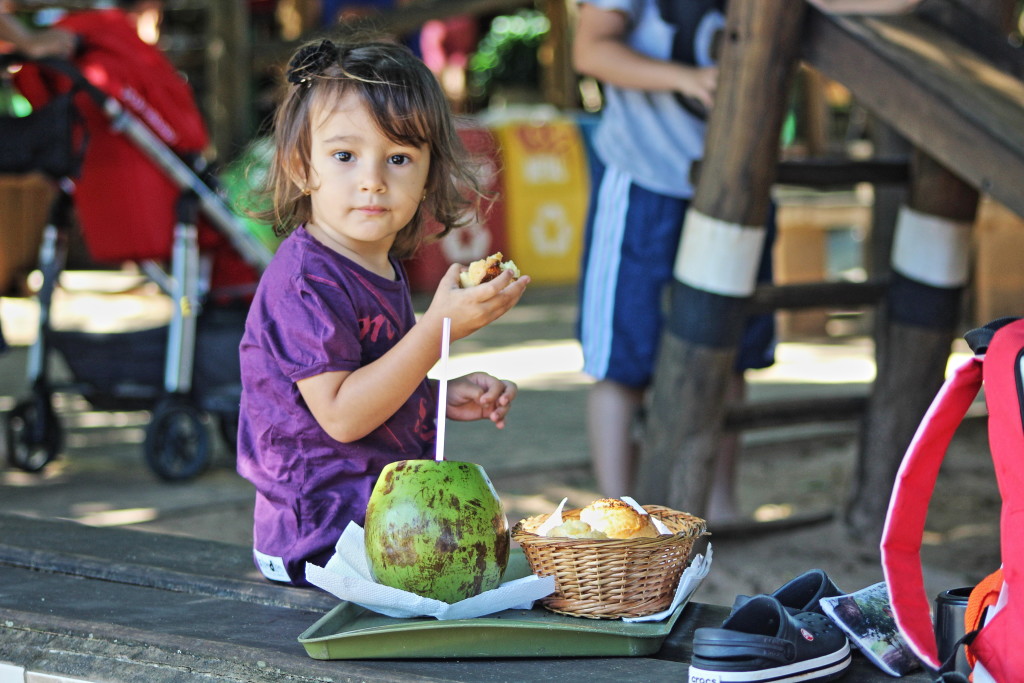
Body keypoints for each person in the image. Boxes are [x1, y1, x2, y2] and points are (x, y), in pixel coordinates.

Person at [236, 38, 530, 586]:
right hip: (318, 543)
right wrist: (438, 332)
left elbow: (368, 378)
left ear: (428, 176)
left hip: (382, 526)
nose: (373, 179)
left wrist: (434, 398)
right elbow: (343, 416)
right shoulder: (305, 281)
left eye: (398, 158)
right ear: (302, 166)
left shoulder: (378, 266)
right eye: (344, 156)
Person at [572, 1, 776, 523]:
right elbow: (590, 48)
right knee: (622, 360)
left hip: (737, 183)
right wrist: (684, 78)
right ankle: (620, 518)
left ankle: (720, 504)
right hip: (646, 180)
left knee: (731, 353)